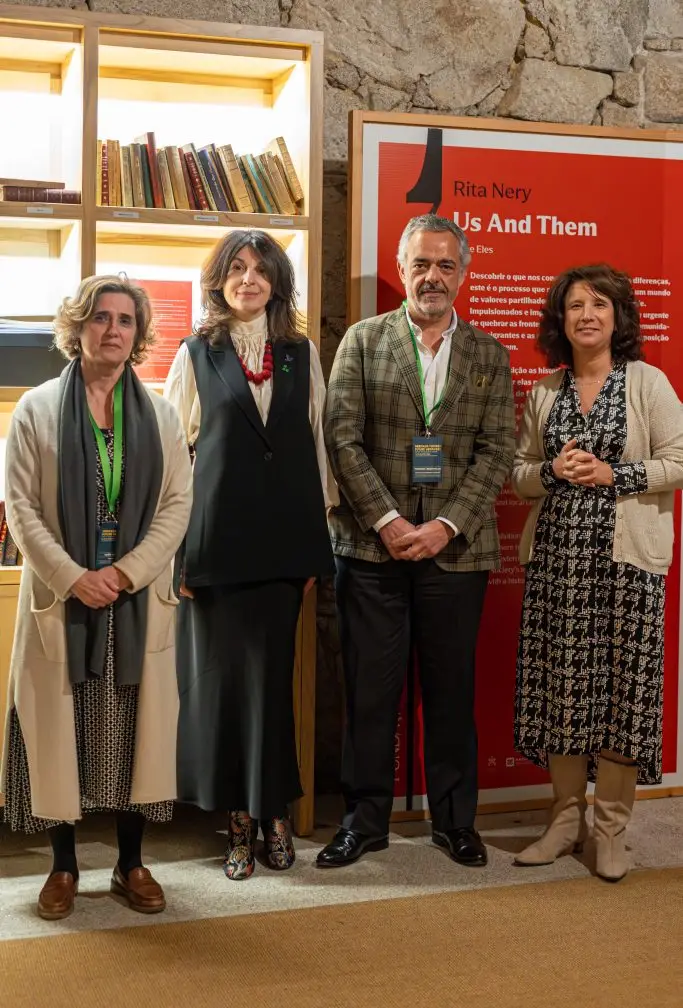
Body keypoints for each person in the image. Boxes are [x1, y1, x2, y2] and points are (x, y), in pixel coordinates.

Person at [318, 213, 515, 869]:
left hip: (456, 554)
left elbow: (495, 454)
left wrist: (442, 525)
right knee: (368, 693)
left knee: (450, 692)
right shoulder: (363, 340)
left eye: (445, 264)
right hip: (371, 551)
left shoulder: (489, 354)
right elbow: (341, 439)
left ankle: (455, 822)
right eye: (421, 264)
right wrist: (390, 521)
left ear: (463, 272)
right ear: (402, 269)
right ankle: (363, 821)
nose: (432, 276)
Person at [1, 275, 193, 920]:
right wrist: (73, 575)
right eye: (101, 318)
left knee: (132, 731)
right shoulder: (35, 409)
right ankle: (62, 868)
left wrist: (128, 572)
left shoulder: (163, 415)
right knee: (65, 733)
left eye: (126, 320)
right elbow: (22, 507)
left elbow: (176, 505)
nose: (113, 330)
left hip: (134, 604)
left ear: (139, 334)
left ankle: (130, 864)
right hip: (65, 599)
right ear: (77, 326)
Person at [164, 229, 335, 880]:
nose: (247, 279)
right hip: (214, 548)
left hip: (284, 549)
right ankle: (236, 820)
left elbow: (315, 446)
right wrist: (178, 549)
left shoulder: (299, 352)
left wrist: (317, 543)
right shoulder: (195, 354)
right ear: (219, 281)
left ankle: (276, 814)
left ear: (276, 282)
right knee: (221, 691)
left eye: (260, 269)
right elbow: (174, 458)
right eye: (236, 268)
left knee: (272, 689)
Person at [512, 263, 683, 882]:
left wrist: (618, 475)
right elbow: (520, 473)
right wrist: (552, 471)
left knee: (621, 695)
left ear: (618, 318)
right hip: (557, 566)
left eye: (600, 305)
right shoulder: (544, 391)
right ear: (561, 319)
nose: (587, 315)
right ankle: (564, 822)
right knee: (562, 690)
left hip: (628, 567)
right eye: (575, 305)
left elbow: (680, 456)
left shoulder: (647, 382)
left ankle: (610, 829)